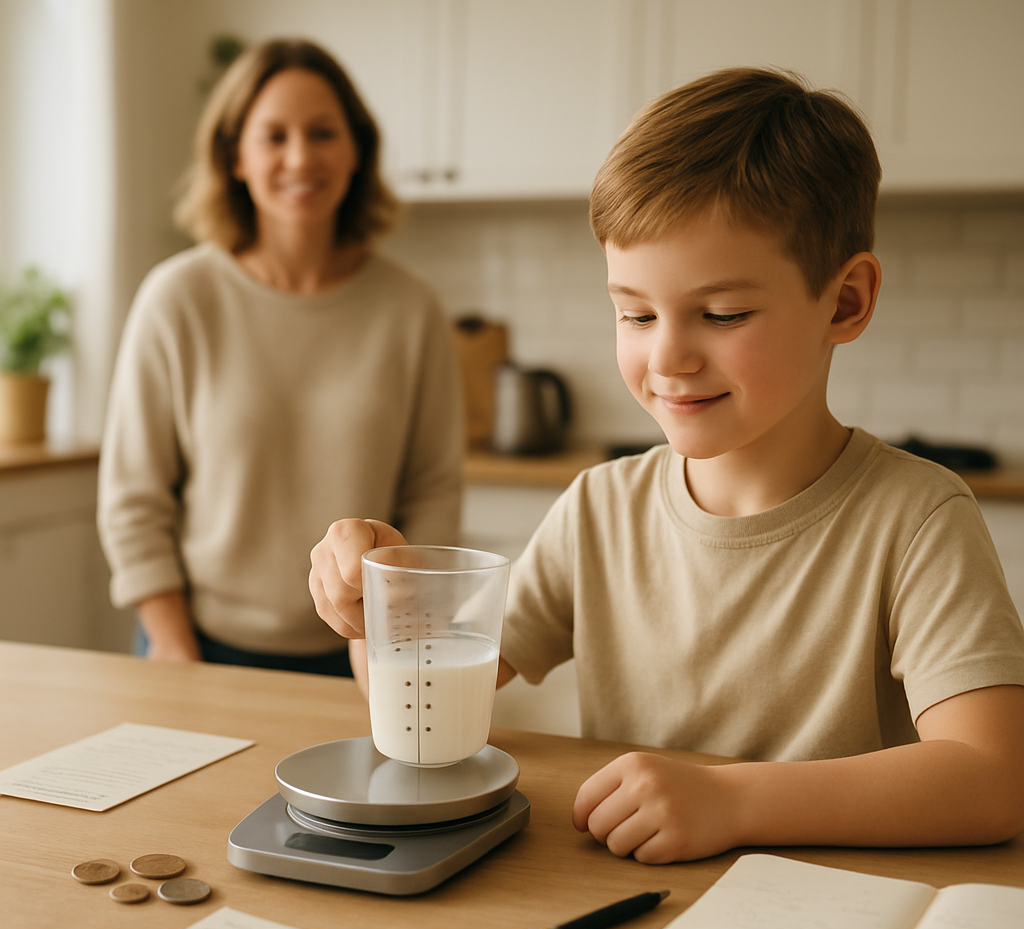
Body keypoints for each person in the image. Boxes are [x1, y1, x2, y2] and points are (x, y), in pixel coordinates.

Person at [308, 68, 1024, 861]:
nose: (668, 355)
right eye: (635, 313)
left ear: (846, 302)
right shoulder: (598, 510)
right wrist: (376, 600)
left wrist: (733, 800)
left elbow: (992, 778)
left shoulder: (916, 518)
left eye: (722, 314)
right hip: (625, 911)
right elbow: (417, 707)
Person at [98, 39, 463, 676]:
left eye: (323, 133)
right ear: (235, 154)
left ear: (356, 150)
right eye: (274, 136)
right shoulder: (177, 299)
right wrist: (176, 649)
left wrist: (394, 636)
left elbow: (432, 491)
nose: (300, 157)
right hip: (196, 649)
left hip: (361, 658)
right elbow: (134, 499)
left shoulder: (412, 308)